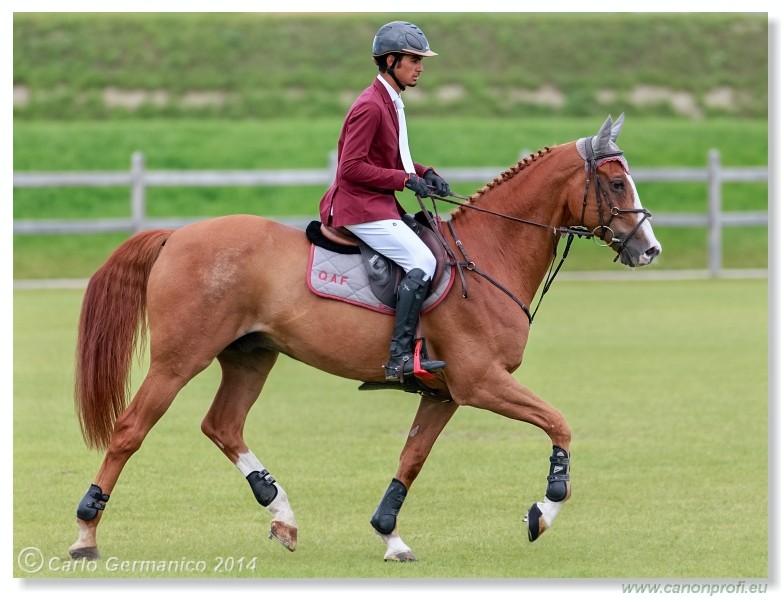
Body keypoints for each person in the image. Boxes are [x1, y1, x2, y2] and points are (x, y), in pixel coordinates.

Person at [319, 20, 451, 383]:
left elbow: (389, 155)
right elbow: (351, 169)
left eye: (421, 60)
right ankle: (399, 359)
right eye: (414, 59)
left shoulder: (389, 99)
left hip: (377, 203)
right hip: (358, 207)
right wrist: (405, 180)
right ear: (391, 60)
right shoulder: (371, 106)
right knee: (422, 261)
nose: (421, 67)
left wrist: (423, 173)